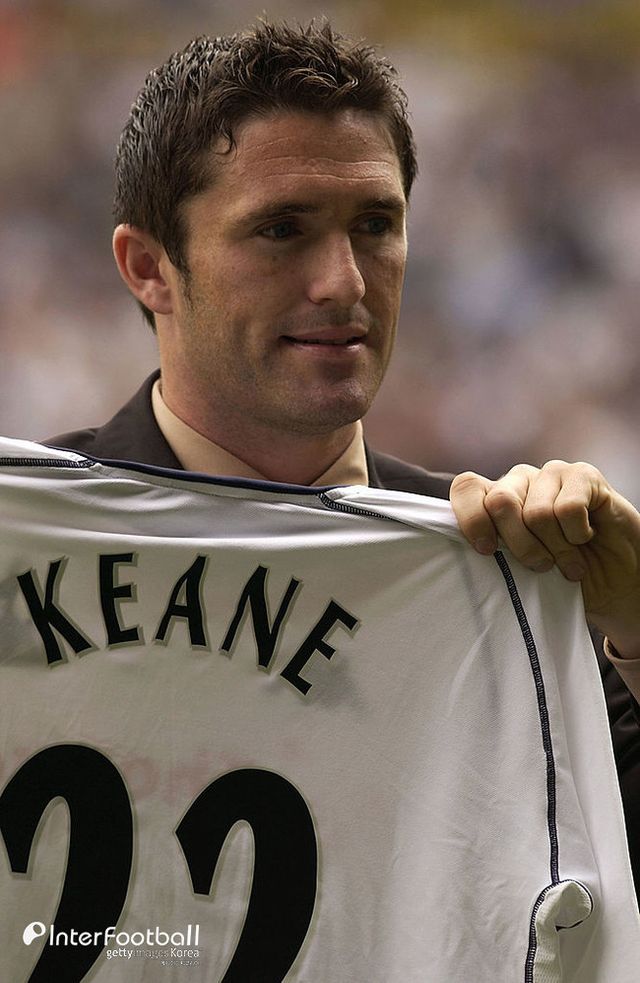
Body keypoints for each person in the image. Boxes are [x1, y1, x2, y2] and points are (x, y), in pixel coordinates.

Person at [48, 20, 640, 895]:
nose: (347, 281)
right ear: (149, 268)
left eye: (374, 224)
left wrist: (637, 622)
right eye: (282, 228)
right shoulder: (26, 549)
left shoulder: (510, 578)